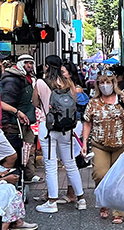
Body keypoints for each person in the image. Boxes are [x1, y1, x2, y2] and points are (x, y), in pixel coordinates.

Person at [82, 70, 124, 223]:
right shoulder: (93, 102)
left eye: (108, 82)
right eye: (102, 83)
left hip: (122, 144)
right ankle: (104, 202)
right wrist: (84, 142)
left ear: (114, 83)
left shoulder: (123, 99)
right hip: (100, 144)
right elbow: (87, 122)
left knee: (119, 177)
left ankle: (118, 211)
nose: (105, 85)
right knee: (100, 174)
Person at [34, 55, 87, 212]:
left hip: (47, 126)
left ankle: (52, 202)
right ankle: (81, 199)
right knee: (70, 162)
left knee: (50, 164)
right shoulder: (68, 83)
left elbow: (35, 103)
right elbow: (74, 102)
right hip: (66, 127)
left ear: (47, 66)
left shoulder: (41, 83)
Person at [0, 57, 37, 181]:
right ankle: (16, 179)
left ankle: (28, 175)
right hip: (13, 124)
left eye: (31, 63)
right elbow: (5, 102)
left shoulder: (25, 78)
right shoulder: (12, 80)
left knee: (28, 149)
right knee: (17, 153)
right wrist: (13, 117)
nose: (30, 66)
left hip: (23, 122)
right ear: (20, 64)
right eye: (27, 63)